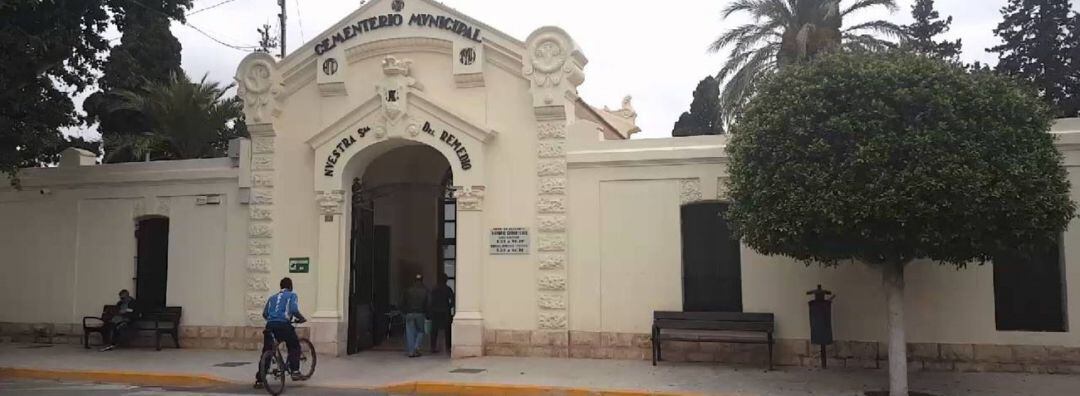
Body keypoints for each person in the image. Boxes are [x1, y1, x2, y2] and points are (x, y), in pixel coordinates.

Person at [254, 277, 307, 388]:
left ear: (281, 287)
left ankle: (260, 380)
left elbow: (265, 314)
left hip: (270, 325)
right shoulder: (292, 295)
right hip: (284, 325)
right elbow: (293, 310)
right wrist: (301, 318)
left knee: (267, 351)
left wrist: (273, 319)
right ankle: (295, 371)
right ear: (291, 287)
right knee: (294, 346)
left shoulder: (272, 298)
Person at [401, 273, 429, 358]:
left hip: (409, 314)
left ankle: (411, 352)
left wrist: (404, 312)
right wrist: (427, 314)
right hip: (420, 314)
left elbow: (401, 303)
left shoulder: (407, 290)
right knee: (420, 331)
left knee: (410, 333)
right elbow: (428, 304)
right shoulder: (425, 290)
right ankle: (417, 346)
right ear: (422, 280)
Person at [429, 273, 455, 355]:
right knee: (447, 330)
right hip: (445, 312)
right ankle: (448, 346)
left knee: (434, 330)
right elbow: (453, 301)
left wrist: (430, 310)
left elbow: (430, 301)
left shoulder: (434, 289)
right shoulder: (448, 289)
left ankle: (433, 347)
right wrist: (449, 307)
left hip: (435, 311)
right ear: (446, 280)